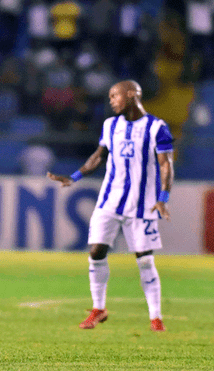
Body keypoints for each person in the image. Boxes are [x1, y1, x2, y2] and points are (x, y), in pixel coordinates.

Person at [47, 80, 173, 332]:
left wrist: (163, 198)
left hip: (142, 205)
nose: (111, 101)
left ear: (131, 95)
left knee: (145, 260)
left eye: (114, 95)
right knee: (96, 252)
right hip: (109, 201)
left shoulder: (156, 127)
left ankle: (155, 318)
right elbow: (98, 156)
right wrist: (74, 176)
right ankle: (98, 308)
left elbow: (165, 164)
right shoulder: (110, 125)